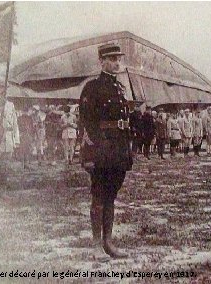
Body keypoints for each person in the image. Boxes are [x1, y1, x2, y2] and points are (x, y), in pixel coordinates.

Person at [79, 43, 132, 259]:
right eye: (112, 59)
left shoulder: (120, 88)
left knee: (111, 195)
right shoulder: (92, 87)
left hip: (118, 149)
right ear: (101, 61)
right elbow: (87, 122)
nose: (117, 62)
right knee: (99, 195)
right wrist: (95, 150)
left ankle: (108, 242)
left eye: (118, 59)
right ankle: (95, 244)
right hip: (101, 149)